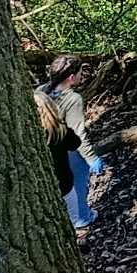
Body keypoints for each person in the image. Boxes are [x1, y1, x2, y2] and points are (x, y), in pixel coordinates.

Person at [35, 56, 105, 239]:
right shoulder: (73, 99)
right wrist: (91, 158)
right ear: (72, 77)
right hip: (66, 145)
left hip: (46, 147)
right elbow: (78, 132)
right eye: (81, 72)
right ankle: (82, 217)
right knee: (77, 180)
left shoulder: (40, 91)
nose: (82, 76)